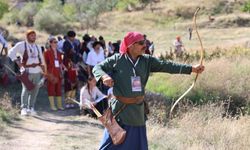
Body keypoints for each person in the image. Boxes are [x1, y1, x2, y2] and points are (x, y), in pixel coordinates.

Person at [92, 31, 205, 150]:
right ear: (131, 46)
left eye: (145, 42)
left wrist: (192, 69)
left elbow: (167, 66)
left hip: (137, 112)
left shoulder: (147, 61)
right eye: (141, 43)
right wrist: (104, 76)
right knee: (111, 145)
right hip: (120, 111)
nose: (144, 46)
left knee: (136, 146)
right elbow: (97, 67)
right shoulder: (117, 59)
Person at [8, 30, 46, 116]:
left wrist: (43, 71)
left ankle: (31, 107)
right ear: (27, 36)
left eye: (34, 35)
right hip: (26, 70)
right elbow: (11, 53)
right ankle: (23, 108)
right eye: (32, 35)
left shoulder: (38, 47)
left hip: (37, 70)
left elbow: (41, 59)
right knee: (26, 89)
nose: (34, 37)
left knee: (35, 89)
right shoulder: (21, 45)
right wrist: (18, 62)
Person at [44, 37, 65, 111]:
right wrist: (46, 74)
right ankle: (52, 106)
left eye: (56, 42)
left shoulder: (59, 53)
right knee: (51, 89)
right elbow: (45, 64)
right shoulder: (47, 52)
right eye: (54, 42)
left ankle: (59, 105)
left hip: (58, 72)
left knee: (58, 88)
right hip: (51, 73)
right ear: (50, 43)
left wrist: (63, 68)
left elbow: (60, 62)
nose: (56, 43)